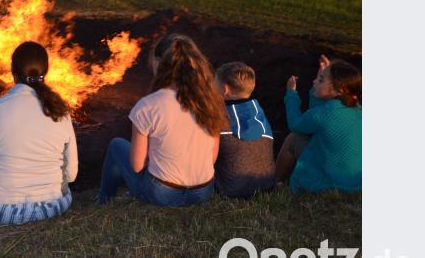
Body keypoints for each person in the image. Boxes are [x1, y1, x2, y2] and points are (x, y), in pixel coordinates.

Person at [97, 33, 228, 206]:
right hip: (203, 192)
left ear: (158, 63)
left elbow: (137, 166)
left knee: (116, 145)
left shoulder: (148, 106)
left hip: (163, 194)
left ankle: (104, 200)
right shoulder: (211, 101)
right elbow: (211, 158)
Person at [0, 41, 77, 225]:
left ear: (13, 73)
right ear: (45, 72)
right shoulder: (60, 111)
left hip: (0, 212)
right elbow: (71, 175)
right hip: (53, 207)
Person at [275, 55, 361, 193]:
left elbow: (295, 124)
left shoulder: (321, 114)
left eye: (321, 80)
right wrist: (323, 72)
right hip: (355, 184)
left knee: (293, 138)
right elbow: (319, 109)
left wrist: (291, 94)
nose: (314, 81)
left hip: (324, 185)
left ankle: (275, 183)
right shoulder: (358, 110)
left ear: (339, 90)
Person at [213, 62, 275, 198]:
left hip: (229, 190)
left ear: (225, 89)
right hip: (266, 186)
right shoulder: (261, 116)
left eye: (214, 83)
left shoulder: (218, 116)